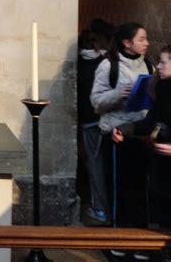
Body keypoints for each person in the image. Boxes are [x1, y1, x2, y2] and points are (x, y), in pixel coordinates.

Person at [90, 22, 153, 261]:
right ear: (127, 43)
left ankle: (140, 241)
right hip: (116, 135)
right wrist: (118, 94)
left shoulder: (148, 64)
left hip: (140, 133)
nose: (147, 43)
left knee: (141, 190)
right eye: (142, 39)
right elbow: (96, 102)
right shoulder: (109, 66)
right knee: (119, 190)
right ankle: (119, 239)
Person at [113, 45, 171, 234]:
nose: (158, 66)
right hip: (162, 162)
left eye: (163, 62)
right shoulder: (161, 87)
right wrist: (123, 129)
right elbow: (150, 121)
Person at [77, 29, 109, 224]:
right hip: (106, 119)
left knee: (95, 165)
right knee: (102, 165)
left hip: (89, 120)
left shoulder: (79, 65)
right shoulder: (104, 63)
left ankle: (100, 208)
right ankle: (105, 207)